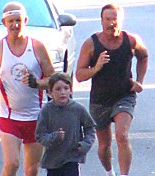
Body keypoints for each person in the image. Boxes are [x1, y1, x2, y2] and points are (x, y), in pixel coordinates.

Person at [0, 1, 54, 176]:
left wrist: (37, 83)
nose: (15, 25)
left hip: (36, 115)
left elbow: (53, 78)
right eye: (11, 21)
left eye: (19, 20)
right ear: (4, 23)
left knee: (31, 169)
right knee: (12, 163)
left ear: (25, 21)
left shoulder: (38, 47)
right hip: (9, 115)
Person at [76, 3, 148, 176]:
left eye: (114, 19)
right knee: (104, 145)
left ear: (121, 20)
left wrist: (139, 81)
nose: (111, 23)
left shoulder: (131, 40)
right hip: (100, 100)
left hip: (124, 95)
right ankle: (109, 172)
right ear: (101, 20)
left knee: (122, 135)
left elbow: (143, 56)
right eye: (107, 19)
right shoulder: (91, 44)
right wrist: (96, 67)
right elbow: (79, 75)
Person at [35, 72, 96, 176]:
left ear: (71, 90)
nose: (62, 92)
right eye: (58, 89)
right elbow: (40, 136)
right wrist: (54, 137)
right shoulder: (46, 111)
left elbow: (90, 128)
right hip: (53, 160)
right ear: (50, 92)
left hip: (72, 156)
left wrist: (85, 144)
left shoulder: (78, 109)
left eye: (66, 88)